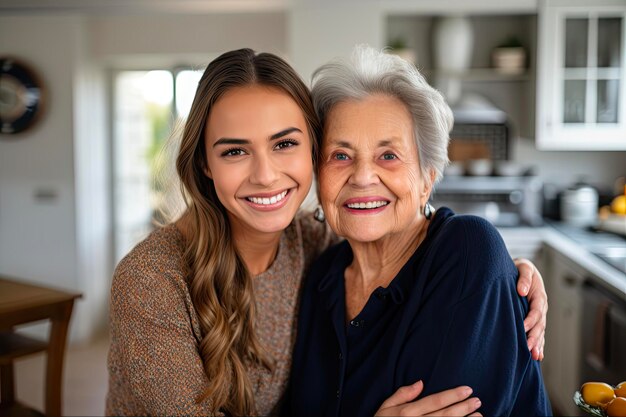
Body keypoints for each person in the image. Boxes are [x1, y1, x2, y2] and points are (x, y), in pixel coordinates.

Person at [106, 48, 548, 417]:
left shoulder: (318, 248)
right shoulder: (318, 266)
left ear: (429, 175)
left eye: (284, 144)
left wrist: (503, 276)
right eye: (341, 155)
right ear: (205, 164)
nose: (265, 175)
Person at [287, 45, 552, 417]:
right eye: (341, 155)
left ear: (428, 177)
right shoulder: (322, 279)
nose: (362, 177)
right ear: (319, 175)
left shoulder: (467, 251)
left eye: (388, 156)